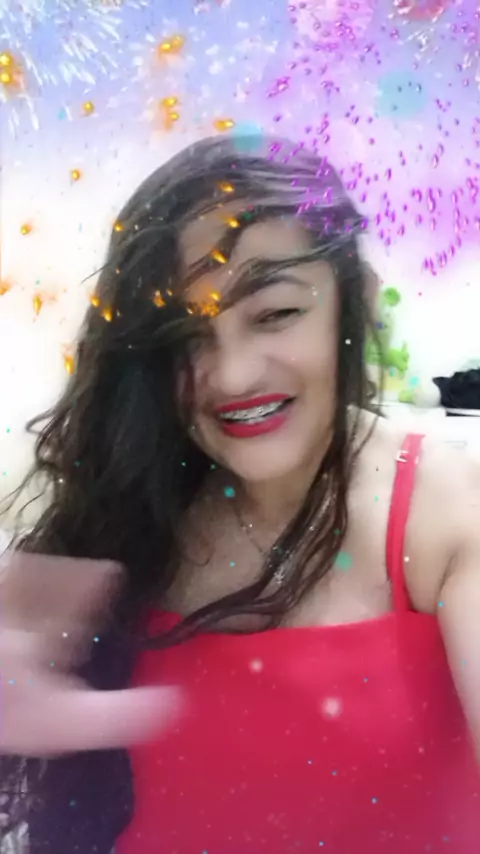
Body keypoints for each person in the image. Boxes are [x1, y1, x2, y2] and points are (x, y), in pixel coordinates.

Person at [1, 134, 480, 854]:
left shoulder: (446, 510)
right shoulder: (125, 506)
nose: (231, 377)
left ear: (353, 302)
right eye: (184, 336)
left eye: (275, 313)